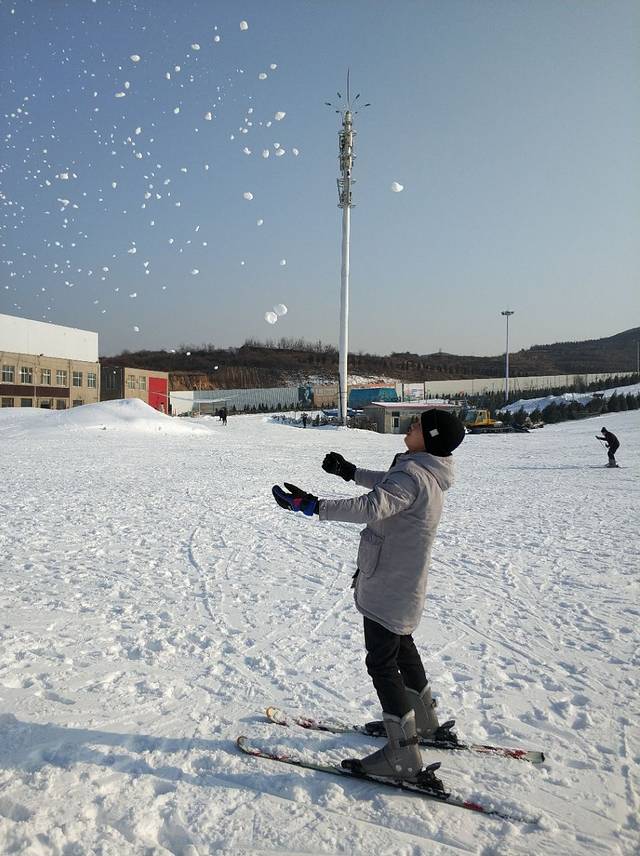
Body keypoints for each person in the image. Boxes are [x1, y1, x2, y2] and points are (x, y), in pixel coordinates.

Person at [272, 408, 465, 781]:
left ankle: (402, 755)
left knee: (382, 663)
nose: (411, 426)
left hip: (389, 585)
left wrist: (313, 506)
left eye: (418, 425)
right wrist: (350, 472)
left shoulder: (412, 475)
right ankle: (423, 722)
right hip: (402, 584)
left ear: (432, 438)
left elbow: (374, 505)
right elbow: (386, 485)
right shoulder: (423, 472)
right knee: (402, 648)